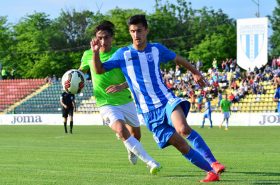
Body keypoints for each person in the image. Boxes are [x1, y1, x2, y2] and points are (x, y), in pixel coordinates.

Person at [91, 14, 225, 183]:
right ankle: (211, 173)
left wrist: (195, 72)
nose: (136, 35)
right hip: (148, 113)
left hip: (166, 100)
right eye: (132, 31)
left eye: (139, 30)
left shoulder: (157, 49)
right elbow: (99, 70)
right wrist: (95, 53)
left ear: (146, 30)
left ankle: (214, 162)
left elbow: (178, 59)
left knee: (182, 128)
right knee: (181, 145)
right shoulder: (122, 54)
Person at [79, 21, 161, 174]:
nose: (103, 41)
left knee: (136, 135)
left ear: (112, 38)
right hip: (105, 102)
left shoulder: (122, 53)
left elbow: (135, 76)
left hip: (126, 99)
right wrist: (75, 80)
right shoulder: (88, 54)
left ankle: (131, 149)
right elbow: (81, 73)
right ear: (95, 39)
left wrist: (121, 86)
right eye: (99, 38)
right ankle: (151, 162)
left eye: (106, 37)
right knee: (121, 130)